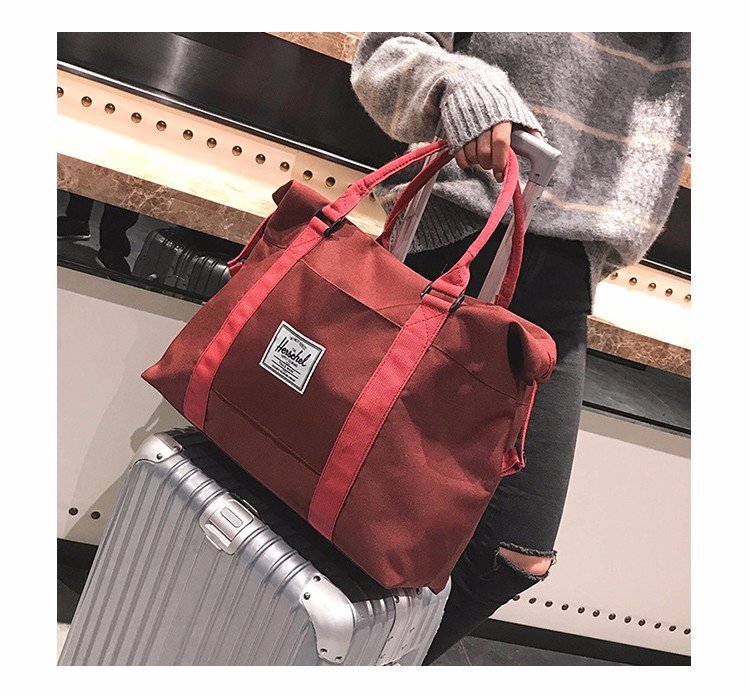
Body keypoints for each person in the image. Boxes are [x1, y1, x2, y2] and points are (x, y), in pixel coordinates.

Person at [350, 32, 690, 664]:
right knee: (354, 493)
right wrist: (458, 84)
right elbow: (388, 48)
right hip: (459, 233)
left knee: (515, 552)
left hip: (565, 275)